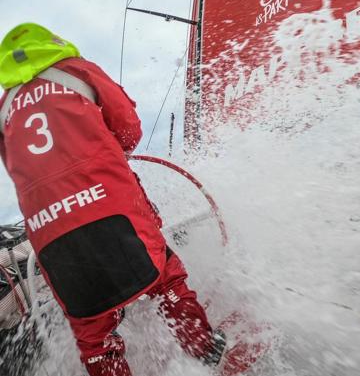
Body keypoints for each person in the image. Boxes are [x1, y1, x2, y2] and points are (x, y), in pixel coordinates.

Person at [0, 23, 226, 376]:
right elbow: (129, 129)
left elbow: (21, 169)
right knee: (165, 279)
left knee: (91, 332)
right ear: (53, 44)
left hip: (50, 235)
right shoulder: (76, 71)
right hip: (112, 209)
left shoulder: (4, 109)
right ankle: (205, 351)